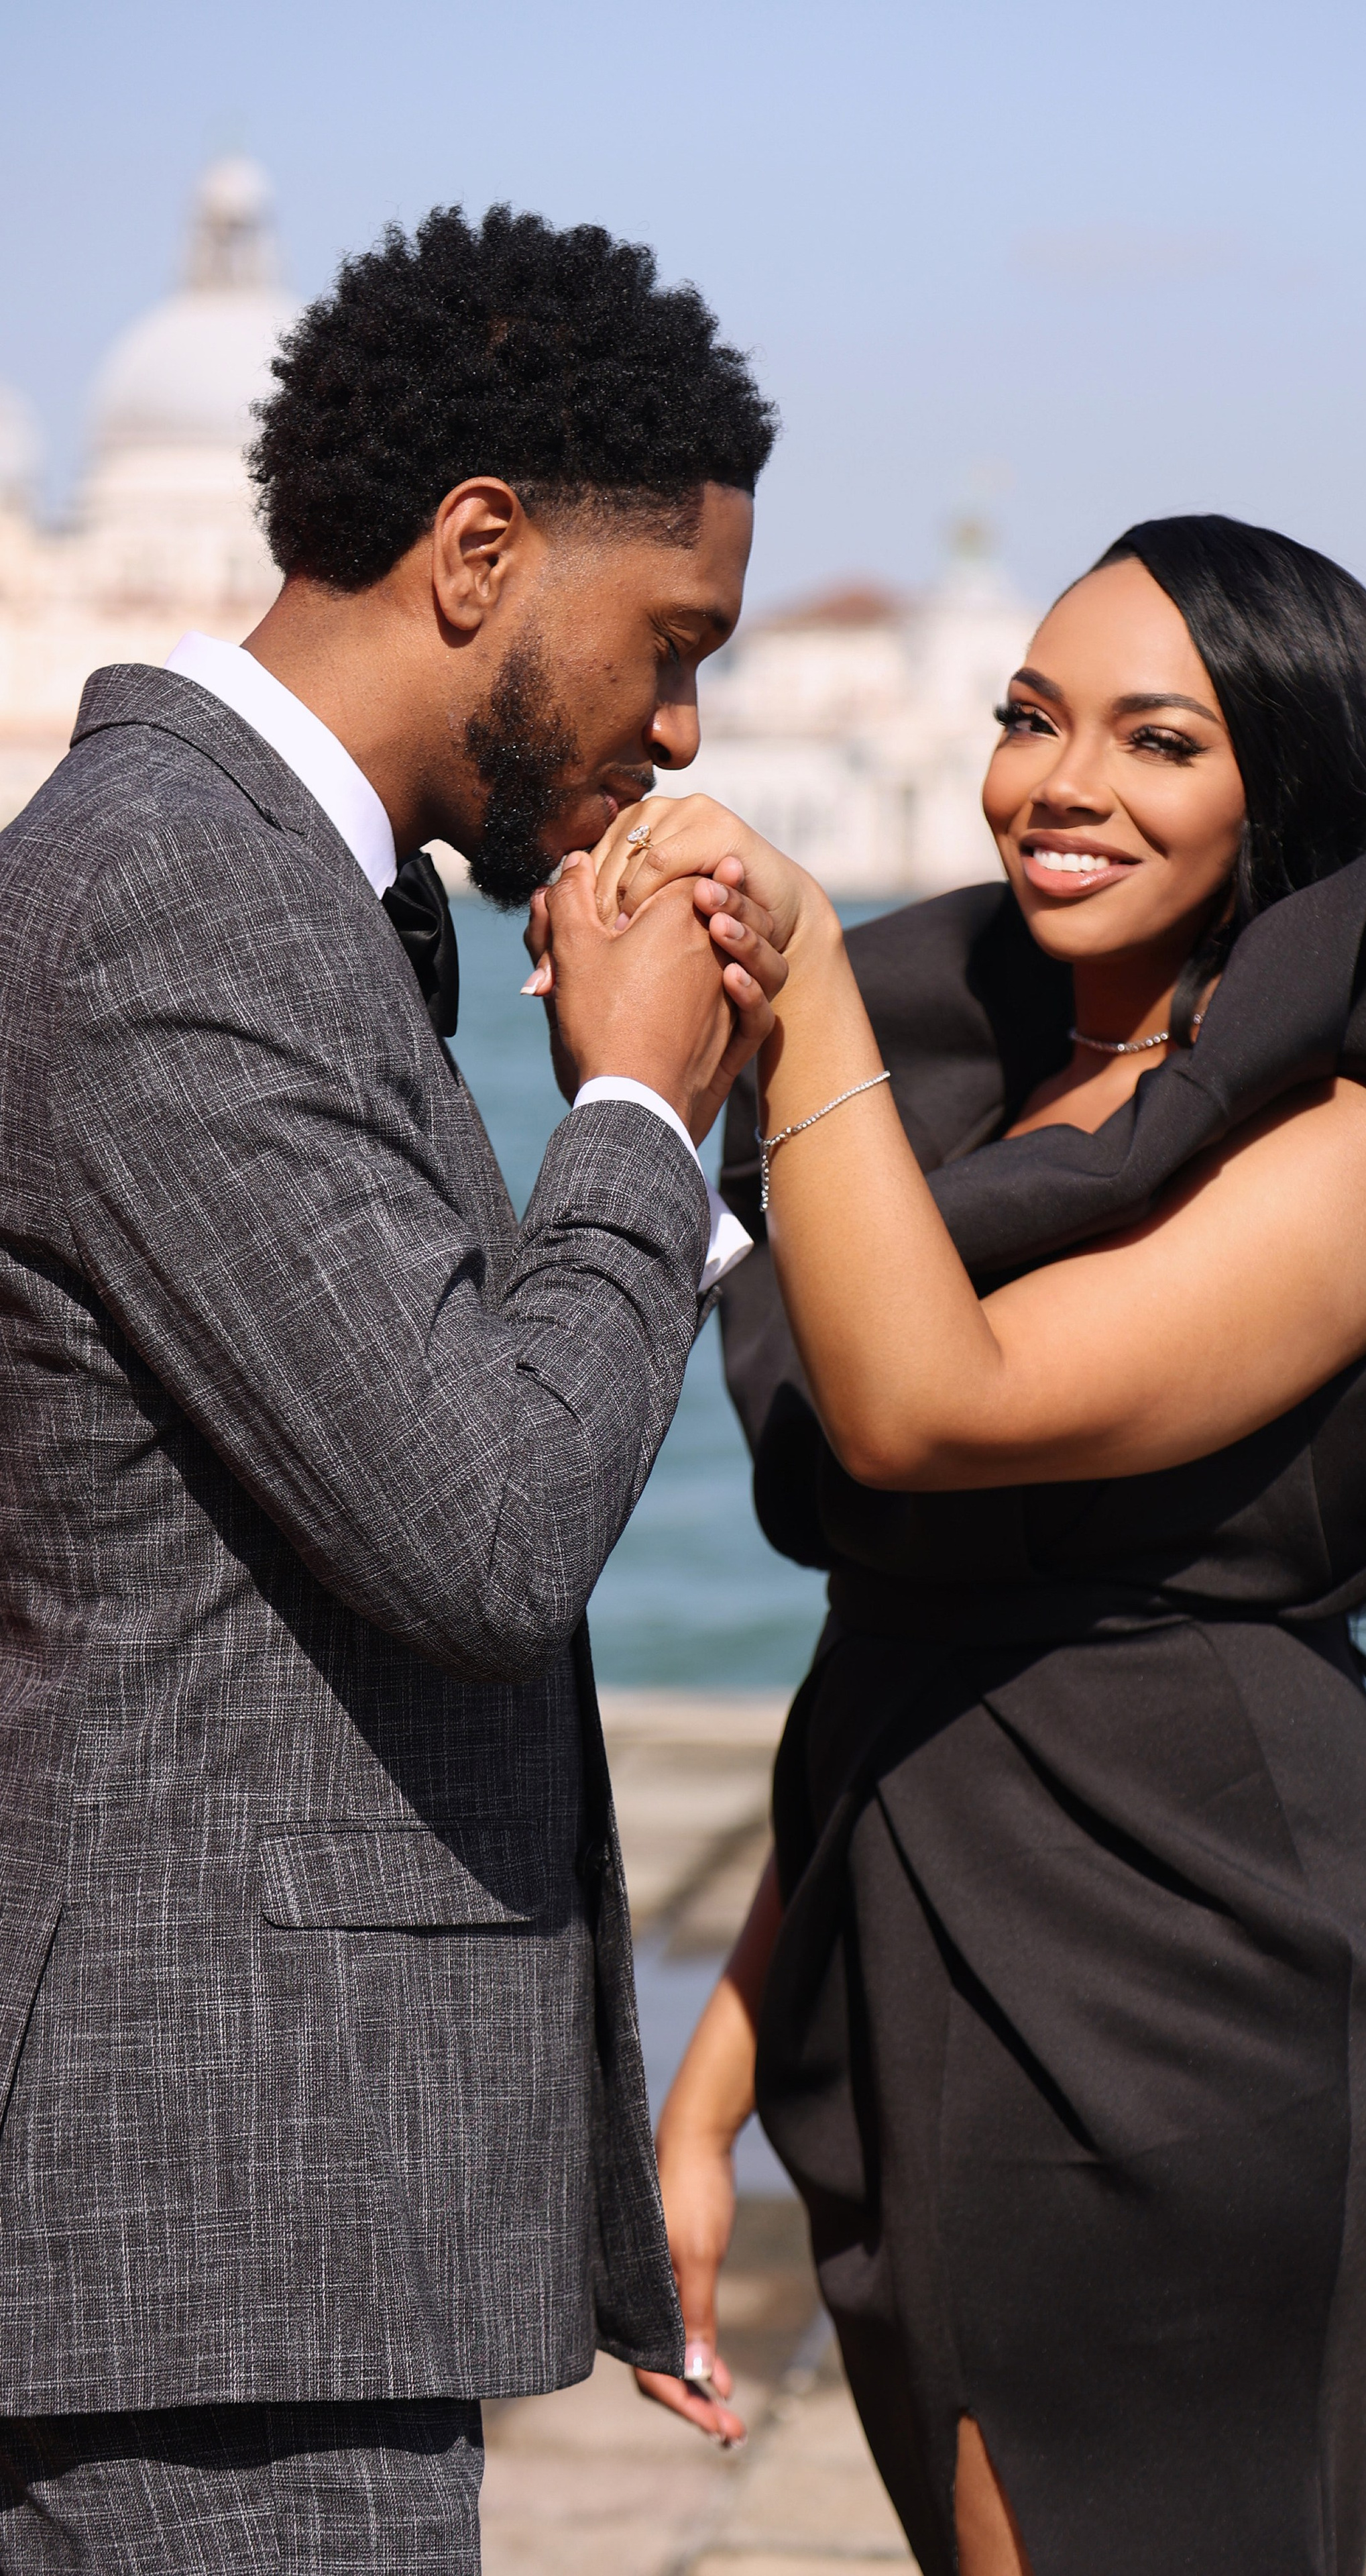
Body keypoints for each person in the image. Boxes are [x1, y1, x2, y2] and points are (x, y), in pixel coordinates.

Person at [555, 517, 1366, 2575]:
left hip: (1179, 1964)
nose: (1062, 785)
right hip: (908, 1930)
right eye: (1030, 718)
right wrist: (706, 2096)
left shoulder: (1356, 1147)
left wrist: (802, 991)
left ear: (1285, 792)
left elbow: (927, 1406)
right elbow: (918, 1635)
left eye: (1161, 741)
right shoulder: (985, 1094)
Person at [0, 206, 793, 2571]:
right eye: (670, 644)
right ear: (477, 553)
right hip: (209, 2264)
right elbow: (485, 1521)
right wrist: (637, 1110)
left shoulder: (265, 888)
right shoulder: (174, 891)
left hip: (260, 2259)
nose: (680, 731)